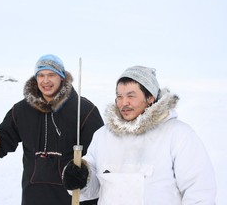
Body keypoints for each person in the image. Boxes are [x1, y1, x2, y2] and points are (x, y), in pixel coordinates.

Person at [0, 54, 104, 205]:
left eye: (51, 74)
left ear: (62, 77)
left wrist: (85, 174)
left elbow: (100, 155)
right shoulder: (21, 110)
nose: (45, 80)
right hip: (33, 197)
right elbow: (2, 140)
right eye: (41, 75)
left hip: (74, 198)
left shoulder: (84, 110)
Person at [62, 66, 217, 205]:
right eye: (120, 96)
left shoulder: (178, 134)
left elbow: (199, 191)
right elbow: (91, 189)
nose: (124, 103)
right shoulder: (103, 136)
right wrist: (81, 179)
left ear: (150, 98)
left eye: (131, 96)